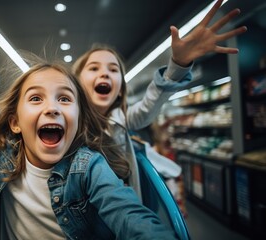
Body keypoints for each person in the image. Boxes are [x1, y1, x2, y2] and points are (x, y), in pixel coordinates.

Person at [0, 9, 178, 239]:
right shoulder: (8, 148)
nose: (51, 107)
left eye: (64, 98)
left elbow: (126, 212)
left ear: (79, 119)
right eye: (35, 98)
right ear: (15, 122)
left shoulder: (89, 167)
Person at [71, 0, 247, 196]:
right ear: (77, 84)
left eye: (113, 70)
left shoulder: (125, 118)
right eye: (94, 68)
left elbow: (149, 106)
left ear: (120, 89)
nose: (104, 74)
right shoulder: (69, 121)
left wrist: (179, 64)